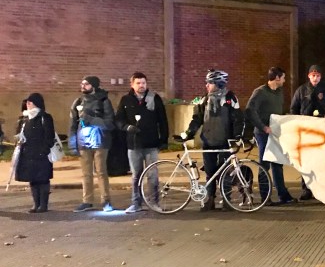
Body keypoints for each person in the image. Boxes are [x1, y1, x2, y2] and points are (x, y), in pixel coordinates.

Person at [177, 69, 244, 211]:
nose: (207, 85)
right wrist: (189, 133)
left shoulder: (230, 98)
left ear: (218, 84)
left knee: (226, 172)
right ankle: (210, 200)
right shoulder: (204, 99)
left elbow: (238, 119)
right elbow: (197, 119)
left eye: (210, 83)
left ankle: (227, 200)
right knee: (210, 172)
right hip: (208, 141)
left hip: (225, 142)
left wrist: (237, 137)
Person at [115, 72, 169, 214]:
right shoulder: (126, 100)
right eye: (138, 83)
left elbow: (162, 120)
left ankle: (154, 202)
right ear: (132, 85)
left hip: (151, 144)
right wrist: (127, 127)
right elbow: (119, 120)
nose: (141, 86)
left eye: (143, 83)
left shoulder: (154, 98)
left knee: (153, 175)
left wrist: (164, 139)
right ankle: (136, 203)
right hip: (134, 145)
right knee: (136, 175)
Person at [245, 66, 297, 205]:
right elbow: (250, 110)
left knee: (278, 163)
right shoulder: (260, 92)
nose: (285, 80)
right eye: (283, 78)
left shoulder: (279, 92)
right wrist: (262, 127)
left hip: (275, 133)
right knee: (265, 164)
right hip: (263, 134)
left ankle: (283, 195)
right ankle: (265, 197)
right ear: (277, 78)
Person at [69, 76, 116, 212]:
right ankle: (87, 201)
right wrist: (73, 144)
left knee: (101, 171)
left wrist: (91, 119)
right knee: (86, 174)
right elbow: (72, 125)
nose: (83, 86)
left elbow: (109, 123)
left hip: (100, 141)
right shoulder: (78, 102)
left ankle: (106, 200)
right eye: (82, 83)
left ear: (94, 86)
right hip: (83, 142)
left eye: (87, 84)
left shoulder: (104, 101)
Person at [290, 65, 325, 200]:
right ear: (309, 76)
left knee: (322, 160)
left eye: (318, 75)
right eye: (313, 75)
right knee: (306, 160)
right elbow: (294, 108)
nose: (315, 78)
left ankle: (321, 188)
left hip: (322, 131)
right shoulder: (301, 90)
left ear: (320, 77)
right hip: (306, 130)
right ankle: (306, 189)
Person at [15, 93, 55, 213]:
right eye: (27, 102)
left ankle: (43, 205)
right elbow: (18, 134)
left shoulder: (45, 117)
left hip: (41, 154)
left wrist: (44, 149)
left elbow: (50, 136)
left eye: (30, 102)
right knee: (32, 178)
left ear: (37, 103)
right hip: (28, 153)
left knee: (43, 178)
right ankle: (35, 204)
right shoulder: (24, 119)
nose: (27, 105)